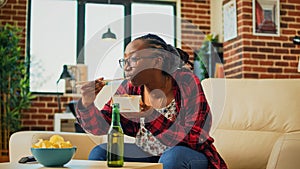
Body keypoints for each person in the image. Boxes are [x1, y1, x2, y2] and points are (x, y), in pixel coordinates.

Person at [76, 34, 227, 169]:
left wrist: (150, 116)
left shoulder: (186, 81)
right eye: (125, 60)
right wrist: (87, 103)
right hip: (147, 152)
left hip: (189, 154)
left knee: (172, 157)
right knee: (100, 152)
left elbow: (194, 138)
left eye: (134, 59)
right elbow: (102, 127)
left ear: (157, 61)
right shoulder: (129, 87)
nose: (126, 67)